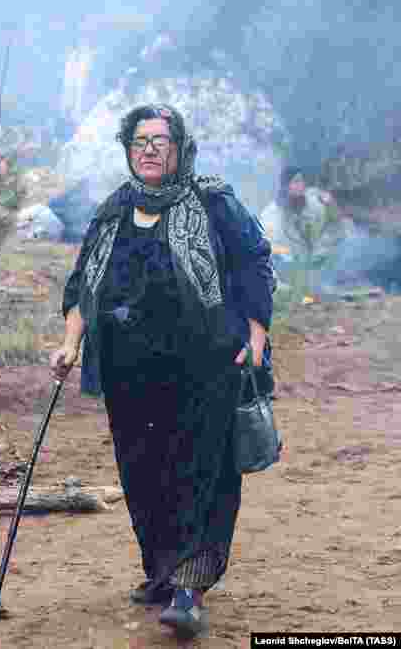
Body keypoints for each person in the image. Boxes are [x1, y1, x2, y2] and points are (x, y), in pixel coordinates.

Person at [50, 104, 275, 639]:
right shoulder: (113, 210)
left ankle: (189, 586)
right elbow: (84, 283)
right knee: (143, 472)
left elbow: (254, 263)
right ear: (127, 148)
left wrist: (257, 337)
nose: (148, 149)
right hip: (130, 372)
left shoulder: (212, 201)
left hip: (204, 365)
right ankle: (161, 568)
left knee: (201, 471)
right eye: (139, 140)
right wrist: (69, 344)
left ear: (180, 148)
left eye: (160, 140)